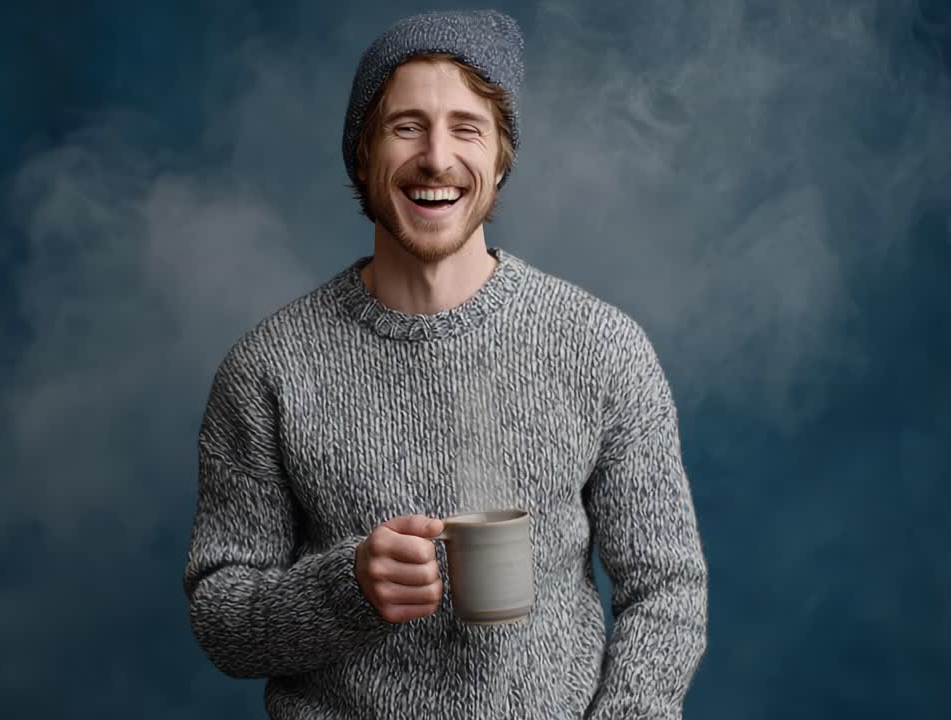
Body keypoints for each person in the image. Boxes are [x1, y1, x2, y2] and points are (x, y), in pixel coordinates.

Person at [183, 9, 708, 719]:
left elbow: (666, 589)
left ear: (501, 158)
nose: (436, 158)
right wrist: (346, 589)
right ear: (362, 155)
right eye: (406, 127)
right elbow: (221, 618)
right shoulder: (268, 368)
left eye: (467, 128)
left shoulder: (602, 348)